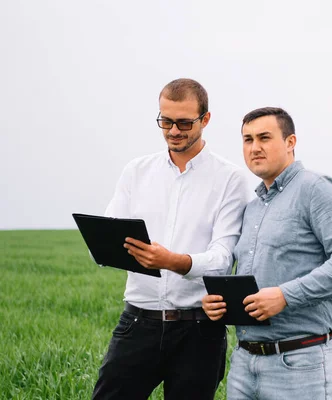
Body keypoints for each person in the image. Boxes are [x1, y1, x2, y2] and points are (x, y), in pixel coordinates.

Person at [92, 78, 251, 400]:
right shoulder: (136, 171)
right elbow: (111, 229)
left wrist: (176, 262)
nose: (174, 131)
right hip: (137, 321)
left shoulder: (230, 178)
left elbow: (223, 256)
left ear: (205, 120)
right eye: (166, 121)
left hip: (199, 330)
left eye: (184, 123)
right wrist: (105, 244)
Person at [202, 107, 332, 399]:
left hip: (300, 364)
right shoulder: (252, 206)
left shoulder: (316, 189)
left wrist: (284, 296)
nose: (255, 147)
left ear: (290, 142)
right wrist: (220, 304)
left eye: (264, 138)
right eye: (247, 139)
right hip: (244, 362)